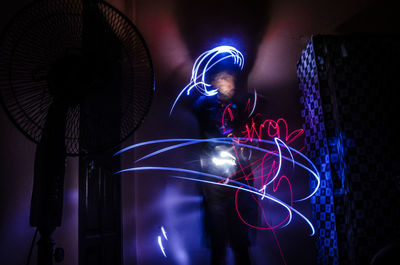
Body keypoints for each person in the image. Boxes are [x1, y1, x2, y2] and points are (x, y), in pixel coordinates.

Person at [193, 67, 257, 265]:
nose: (230, 83)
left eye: (231, 79)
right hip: (215, 182)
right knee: (218, 243)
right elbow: (201, 119)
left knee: (240, 244)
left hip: (239, 180)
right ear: (214, 82)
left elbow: (250, 137)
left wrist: (241, 142)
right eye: (223, 79)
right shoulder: (205, 106)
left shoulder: (241, 108)